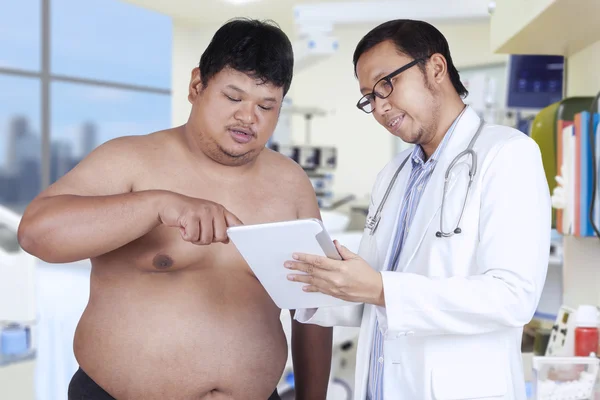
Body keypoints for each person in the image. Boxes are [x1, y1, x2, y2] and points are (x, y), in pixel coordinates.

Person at [17, 18, 333, 400]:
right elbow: (36, 234)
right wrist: (159, 205)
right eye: (233, 98)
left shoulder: (291, 183)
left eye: (266, 105)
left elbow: (314, 308)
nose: (249, 118)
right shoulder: (129, 159)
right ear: (197, 85)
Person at [285, 19, 551, 400]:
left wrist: (380, 289)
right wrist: (315, 282)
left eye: (386, 85)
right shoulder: (391, 175)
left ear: (436, 68)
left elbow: (513, 297)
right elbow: (371, 295)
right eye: (369, 98)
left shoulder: (507, 154)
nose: (379, 107)